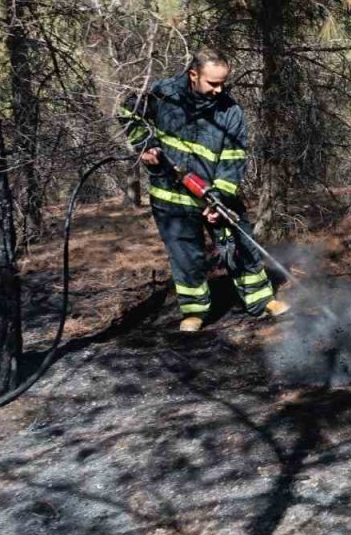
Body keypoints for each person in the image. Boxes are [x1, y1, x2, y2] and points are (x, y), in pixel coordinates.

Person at [120, 48, 289, 332]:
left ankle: (261, 300)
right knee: (186, 256)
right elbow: (127, 111)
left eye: (223, 83)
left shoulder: (231, 112)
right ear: (193, 75)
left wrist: (218, 197)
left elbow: (233, 159)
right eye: (213, 83)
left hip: (214, 194)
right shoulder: (163, 95)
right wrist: (145, 144)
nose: (219, 89)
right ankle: (195, 311)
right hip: (170, 197)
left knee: (242, 244)